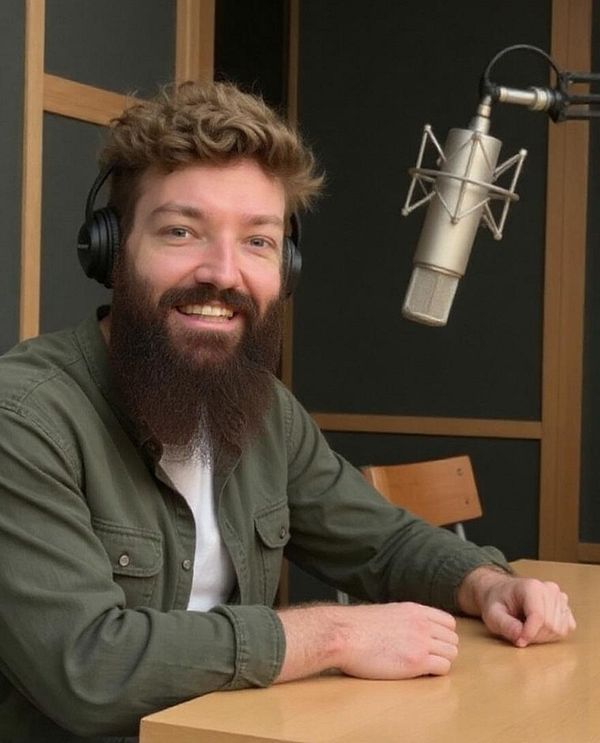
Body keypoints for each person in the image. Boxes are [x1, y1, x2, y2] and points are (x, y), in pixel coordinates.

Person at [0, 81, 575, 743]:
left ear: (287, 267)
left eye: (258, 242)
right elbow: (87, 666)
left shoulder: (266, 410)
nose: (223, 272)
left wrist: (483, 582)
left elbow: (383, 541)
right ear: (110, 249)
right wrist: (328, 634)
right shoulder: (25, 418)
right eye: (181, 231)